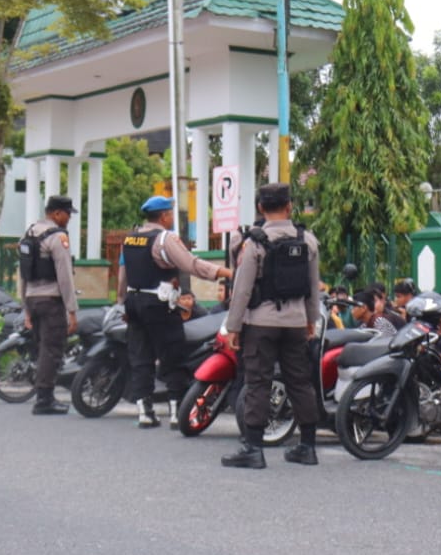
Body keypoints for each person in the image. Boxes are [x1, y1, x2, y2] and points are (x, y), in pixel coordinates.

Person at [222, 183, 323, 469]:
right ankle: (307, 447)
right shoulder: (307, 240)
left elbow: (242, 289)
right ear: (290, 206)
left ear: (260, 208)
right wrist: (311, 321)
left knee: (258, 382)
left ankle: (254, 449)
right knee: (299, 381)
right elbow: (313, 287)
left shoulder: (255, 242)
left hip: (260, 323)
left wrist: (233, 326)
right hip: (295, 323)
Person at [121, 195, 235, 428]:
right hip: (158, 304)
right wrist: (225, 273)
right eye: (171, 213)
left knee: (140, 357)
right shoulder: (165, 239)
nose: (172, 217)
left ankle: (145, 413)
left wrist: (121, 301)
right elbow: (191, 264)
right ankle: (176, 411)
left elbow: (123, 273)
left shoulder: (131, 238)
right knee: (172, 355)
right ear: (164, 216)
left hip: (133, 302)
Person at [21, 195, 78, 415]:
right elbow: (65, 277)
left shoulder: (29, 234)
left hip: (33, 299)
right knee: (52, 349)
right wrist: (72, 310)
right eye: (67, 214)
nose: (68, 218)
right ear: (56, 213)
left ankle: (43, 394)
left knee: (41, 348)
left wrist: (26, 307)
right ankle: (44, 399)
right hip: (51, 301)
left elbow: (23, 274)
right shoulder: (57, 237)